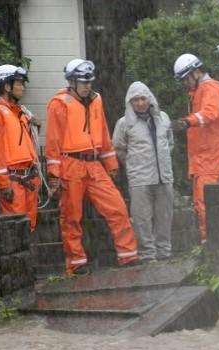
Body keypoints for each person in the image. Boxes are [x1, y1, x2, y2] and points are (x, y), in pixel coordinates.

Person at [45, 58, 140, 275]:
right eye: (83, 82)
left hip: (95, 165)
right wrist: (54, 175)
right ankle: (76, 263)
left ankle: (128, 255)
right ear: (72, 82)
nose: (88, 86)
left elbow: (104, 133)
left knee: (117, 208)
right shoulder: (58, 104)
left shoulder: (97, 100)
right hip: (70, 164)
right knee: (71, 216)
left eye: (89, 81)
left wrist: (111, 164)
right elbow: (53, 142)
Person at [171, 53, 219, 242]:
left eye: (185, 79)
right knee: (205, 203)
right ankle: (211, 242)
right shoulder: (203, 90)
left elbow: (210, 113)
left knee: (206, 203)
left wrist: (187, 122)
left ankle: (211, 244)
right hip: (205, 158)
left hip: (210, 158)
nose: (185, 83)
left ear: (196, 73)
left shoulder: (210, 89)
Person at [113, 82, 175, 263]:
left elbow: (169, 143)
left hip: (164, 176)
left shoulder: (163, 118)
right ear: (129, 102)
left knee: (165, 215)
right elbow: (119, 148)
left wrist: (161, 161)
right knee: (142, 218)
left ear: (149, 98)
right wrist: (134, 164)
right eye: (135, 100)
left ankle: (164, 251)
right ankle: (148, 254)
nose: (140, 103)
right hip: (140, 177)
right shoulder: (124, 123)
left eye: (142, 98)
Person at [0, 64, 41, 231]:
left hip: (27, 179)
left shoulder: (18, 113)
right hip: (13, 182)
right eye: (19, 83)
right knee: (16, 230)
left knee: (30, 227)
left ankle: (28, 257)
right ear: (7, 86)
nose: (23, 88)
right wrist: (3, 184)